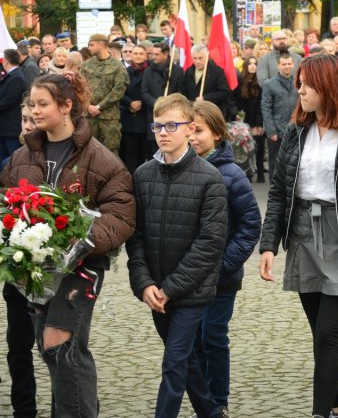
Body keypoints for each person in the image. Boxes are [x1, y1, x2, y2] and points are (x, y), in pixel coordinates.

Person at [1, 71, 135, 417]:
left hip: (82, 265)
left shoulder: (100, 158)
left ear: (66, 106)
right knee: (51, 348)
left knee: (61, 343)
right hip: (35, 267)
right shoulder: (23, 156)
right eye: (31, 104)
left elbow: (121, 214)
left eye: (42, 104)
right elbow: (6, 199)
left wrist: (83, 239)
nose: (35, 110)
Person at [259, 54, 338, 418]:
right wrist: (268, 244)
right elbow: (280, 191)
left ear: (327, 87)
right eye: (299, 82)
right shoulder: (296, 130)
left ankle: (321, 414)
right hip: (302, 234)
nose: (299, 90)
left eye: (307, 84)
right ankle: (336, 406)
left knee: (328, 333)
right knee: (321, 334)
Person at [127, 93, 227, 418]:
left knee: (173, 364)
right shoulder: (142, 175)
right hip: (156, 291)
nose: (163, 132)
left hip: (191, 291)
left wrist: (171, 287)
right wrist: (144, 283)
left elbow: (210, 243)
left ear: (190, 128)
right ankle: (210, 413)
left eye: (172, 125)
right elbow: (136, 236)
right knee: (188, 361)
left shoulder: (210, 177)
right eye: (158, 126)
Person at [189, 101, 261, 418]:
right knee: (192, 341)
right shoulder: (178, 169)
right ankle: (201, 400)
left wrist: (223, 265)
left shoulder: (232, 174)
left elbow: (249, 225)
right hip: (186, 276)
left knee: (213, 337)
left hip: (221, 277)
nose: (191, 137)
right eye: (187, 129)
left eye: (199, 131)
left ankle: (218, 402)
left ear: (218, 135)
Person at [2, 95, 38, 418]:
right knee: (17, 347)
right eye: (24, 120)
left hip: (53, 270)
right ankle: (23, 409)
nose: (27, 127)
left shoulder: (66, 159)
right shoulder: (11, 162)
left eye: (33, 120)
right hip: (17, 273)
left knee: (57, 349)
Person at [80, 33, 130, 155]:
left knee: (111, 151)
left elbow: (118, 90)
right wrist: (87, 106)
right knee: (87, 150)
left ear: (101, 45)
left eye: (91, 45)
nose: (89, 48)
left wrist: (99, 106)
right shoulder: (86, 65)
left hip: (109, 118)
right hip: (89, 116)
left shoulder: (117, 66)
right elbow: (79, 88)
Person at [141, 41, 184, 159]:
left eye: (157, 54)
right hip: (154, 116)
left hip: (173, 117)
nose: (153, 57)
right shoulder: (148, 72)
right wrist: (158, 104)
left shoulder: (177, 71)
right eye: (153, 54)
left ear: (165, 55)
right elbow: (144, 93)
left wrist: (170, 103)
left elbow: (181, 90)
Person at [260, 53, 298, 183]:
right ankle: (274, 188)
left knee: (294, 160)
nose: (287, 66)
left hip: (295, 129)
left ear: (293, 65)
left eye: (289, 64)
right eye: (284, 64)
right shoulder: (269, 84)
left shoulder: (299, 82)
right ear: (278, 66)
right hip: (277, 131)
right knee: (276, 161)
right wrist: (271, 131)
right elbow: (266, 108)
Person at [119, 44, 148, 173]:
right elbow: (119, 91)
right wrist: (129, 103)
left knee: (142, 152)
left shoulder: (150, 72)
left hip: (144, 117)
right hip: (128, 117)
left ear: (146, 56)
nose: (138, 56)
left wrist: (142, 103)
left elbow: (152, 91)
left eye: (141, 53)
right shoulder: (124, 72)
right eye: (135, 53)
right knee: (129, 152)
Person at [236, 56, 265, 183]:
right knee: (245, 148)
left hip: (256, 120)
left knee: (259, 147)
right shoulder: (239, 81)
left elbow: (262, 104)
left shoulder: (261, 82)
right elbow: (236, 100)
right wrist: (236, 114)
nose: (253, 66)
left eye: (255, 64)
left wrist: (259, 123)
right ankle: (247, 173)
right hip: (242, 120)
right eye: (250, 64)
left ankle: (260, 172)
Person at [184, 44, 231, 117]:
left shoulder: (217, 72)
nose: (197, 61)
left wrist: (205, 98)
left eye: (200, 58)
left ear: (207, 57)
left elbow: (224, 92)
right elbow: (185, 92)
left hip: (211, 113)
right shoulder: (189, 72)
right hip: (193, 112)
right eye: (195, 58)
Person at [0, 49, 27, 163]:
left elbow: (8, 102)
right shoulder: (13, 75)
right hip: (5, 128)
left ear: (6, 61)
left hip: (11, 129)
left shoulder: (17, 77)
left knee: (12, 161)